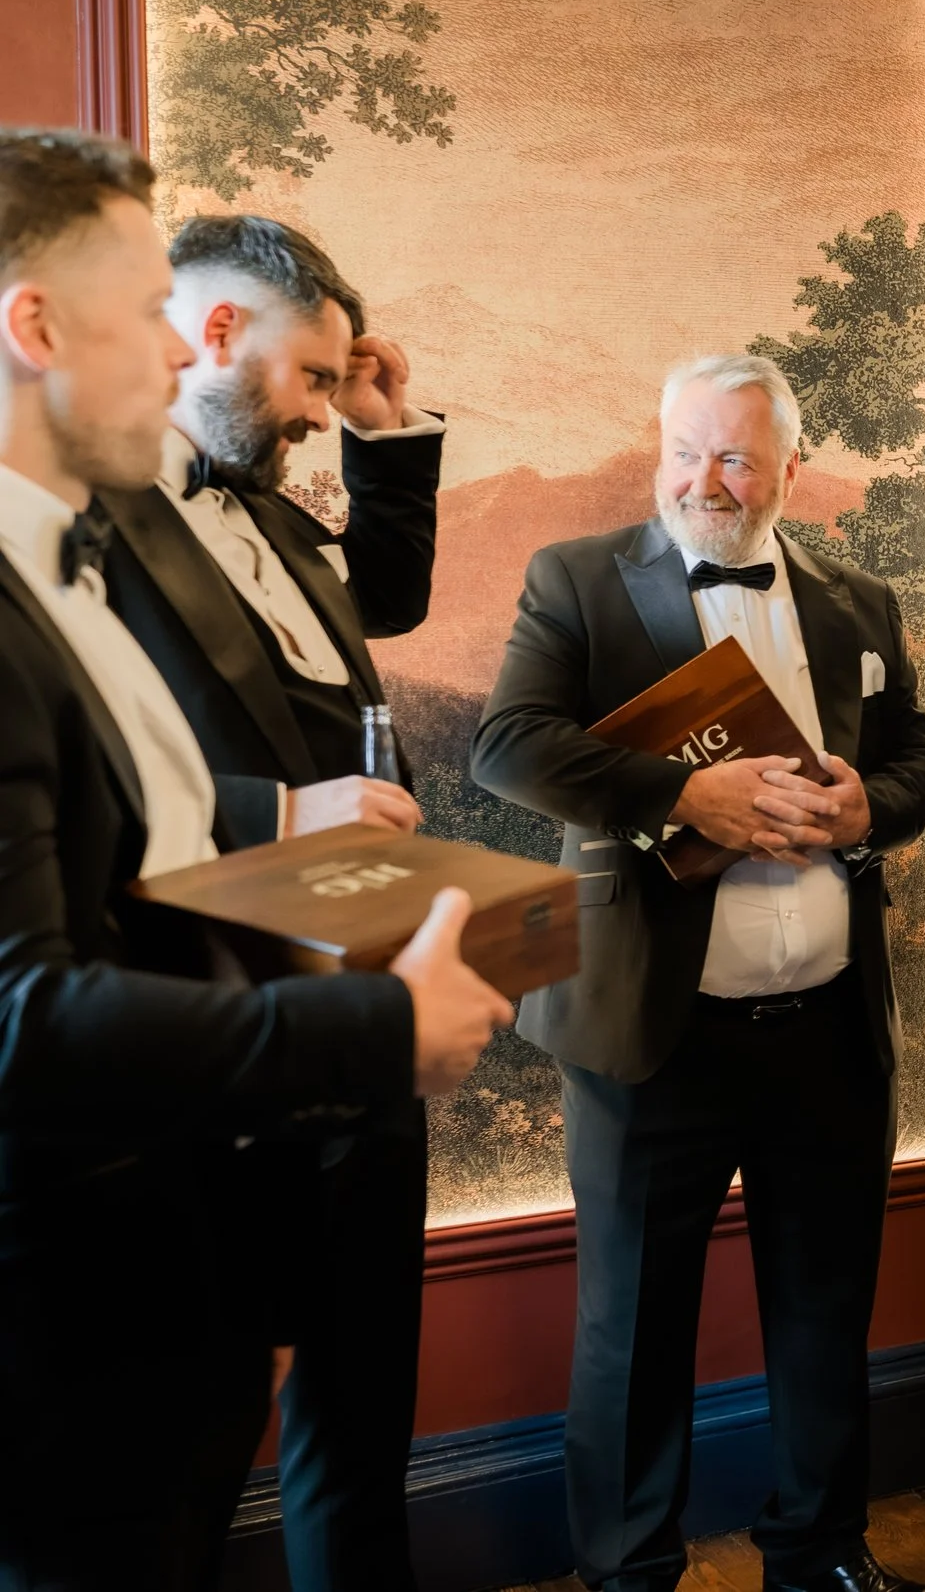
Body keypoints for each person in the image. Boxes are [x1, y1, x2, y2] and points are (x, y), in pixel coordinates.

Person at [0, 126, 503, 1590]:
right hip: (94, 1244)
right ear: (36, 327)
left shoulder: (110, 553)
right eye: (145, 314)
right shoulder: (72, 554)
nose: (171, 355)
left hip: (208, 1179)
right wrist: (375, 1017)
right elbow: (30, 1001)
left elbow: (142, 823)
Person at [472, 354, 925, 1592]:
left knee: (824, 1308)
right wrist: (683, 792)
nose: (706, 479)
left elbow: (921, 756)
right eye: (686, 449)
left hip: (830, 1028)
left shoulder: (860, 598)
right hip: (650, 1026)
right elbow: (508, 745)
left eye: (737, 457)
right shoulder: (578, 578)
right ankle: (630, 1573)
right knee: (629, 1329)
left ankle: (822, 1550)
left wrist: (869, 810)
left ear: (789, 468)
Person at [98, 211, 444, 1592]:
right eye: (309, 378)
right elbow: (94, 769)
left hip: (363, 1006)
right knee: (193, 1439)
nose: (311, 413)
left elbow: (392, 606)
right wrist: (278, 816)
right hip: (213, 1023)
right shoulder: (87, 517)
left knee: (364, 1408)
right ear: (219, 331)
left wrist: (382, 418)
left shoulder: (280, 517)